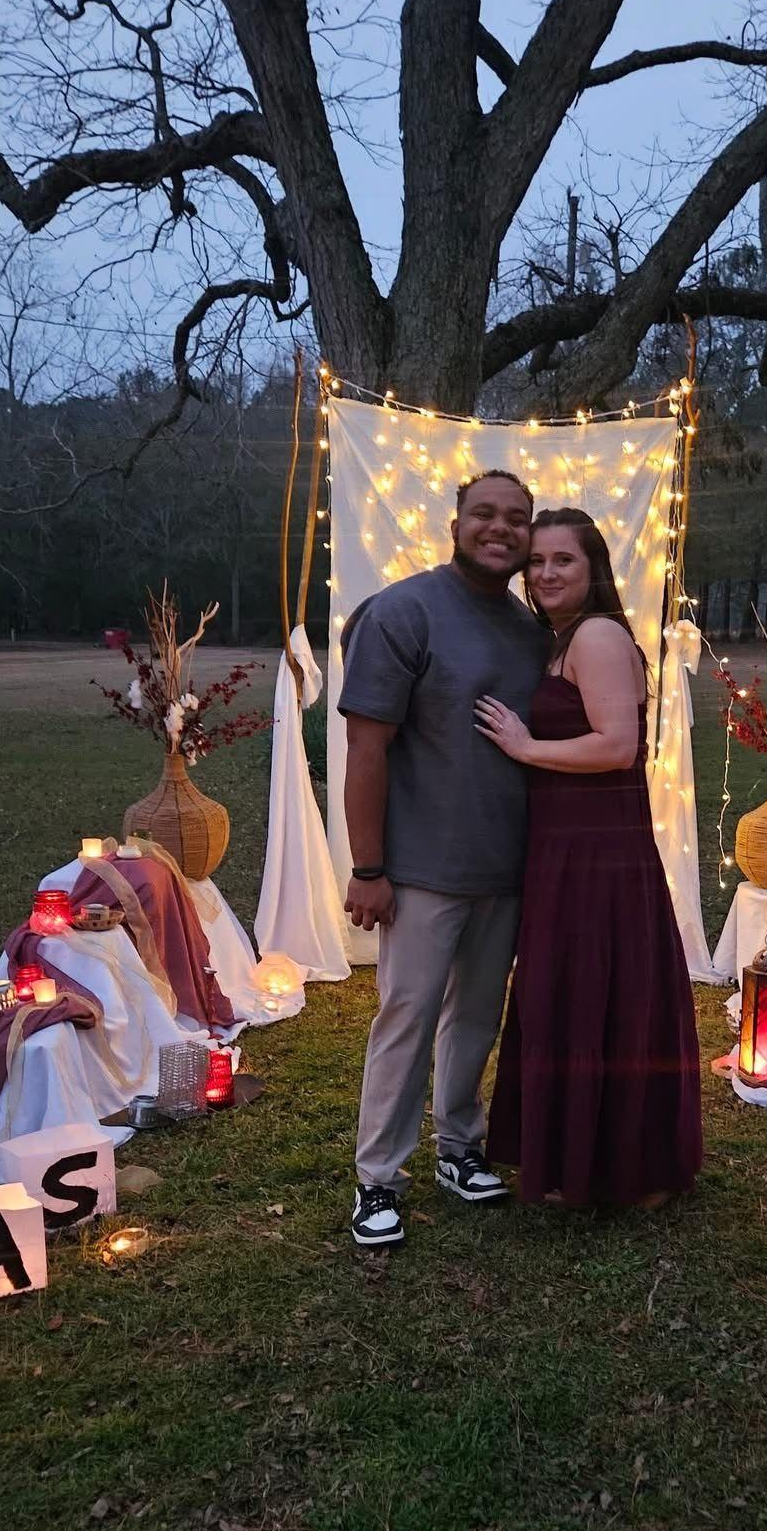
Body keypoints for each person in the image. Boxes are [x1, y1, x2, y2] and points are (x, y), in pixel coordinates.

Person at [336, 469, 552, 1248]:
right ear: (455, 524)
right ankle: (377, 1179)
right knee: (408, 1017)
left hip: (507, 866)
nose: (501, 528)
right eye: (484, 514)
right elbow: (366, 750)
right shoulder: (403, 612)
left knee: (476, 1019)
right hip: (422, 870)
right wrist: (369, 869)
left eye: (517, 519)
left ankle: (460, 1147)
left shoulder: (532, 631)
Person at [474, 507, 703, 1206]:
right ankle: (582, 1158)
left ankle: (620, 1166)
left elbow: (616, 745)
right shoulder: (561, 638)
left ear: (593, 567)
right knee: (573, 992)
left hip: (598, 850)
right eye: (535, 562)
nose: (545, 573)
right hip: (567, 845)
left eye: (562, 560)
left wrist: (526, 747)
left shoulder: (598, 635)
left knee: (597, 990)